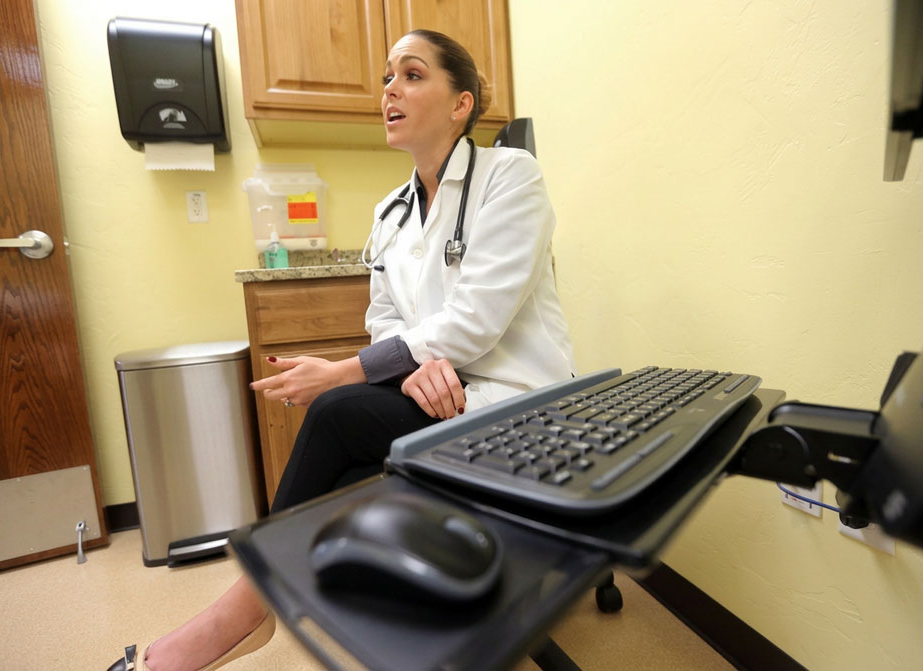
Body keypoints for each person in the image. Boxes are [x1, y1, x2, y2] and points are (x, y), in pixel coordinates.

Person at [108, 28, 575, 671]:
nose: (390, 89)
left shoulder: (509, 177)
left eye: (412, 75)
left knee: (335, 411)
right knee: (354, 472)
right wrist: (412, 365)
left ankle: (241, 612)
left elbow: (477, 319)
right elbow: (385, 321)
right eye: (387, 77)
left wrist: (348, 371)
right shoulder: (389, 214)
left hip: (520, 400)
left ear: (461, 102)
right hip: (437, 399)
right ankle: (357, 614)